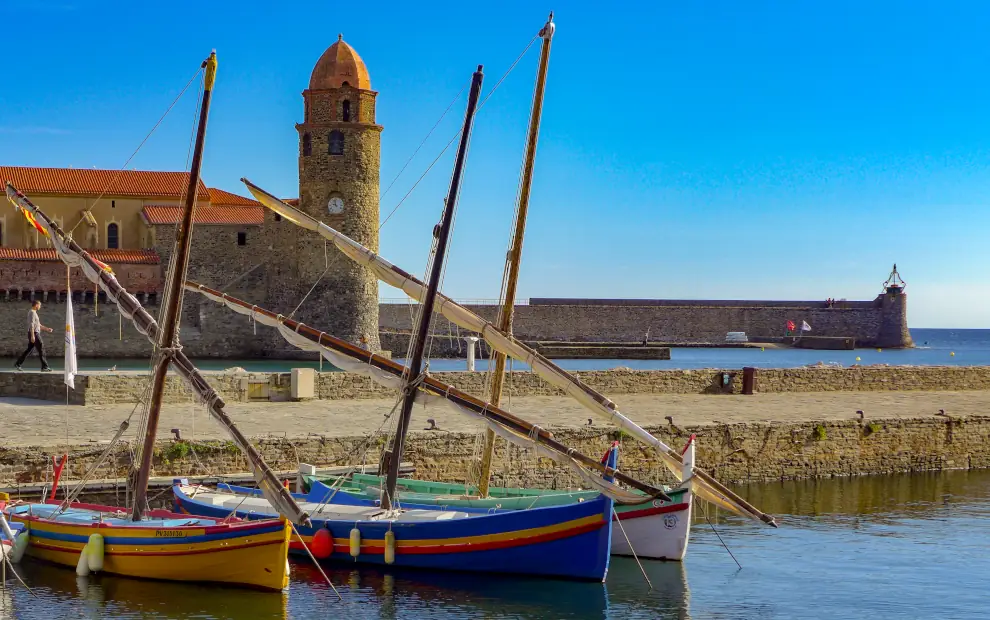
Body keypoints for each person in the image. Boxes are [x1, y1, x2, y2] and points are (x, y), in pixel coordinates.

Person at [15, 300, 54, 371]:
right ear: (36, 305)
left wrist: (47, 329)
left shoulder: (34, 313)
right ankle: (44, 367)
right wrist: (33, 336)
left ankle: (18, 364)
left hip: (34, 333)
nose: (40, 307)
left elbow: (38, 325)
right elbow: (31, 325)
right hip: (34, 333)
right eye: (39, 305)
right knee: (41, 348)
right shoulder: (32, 313)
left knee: (29, 349)